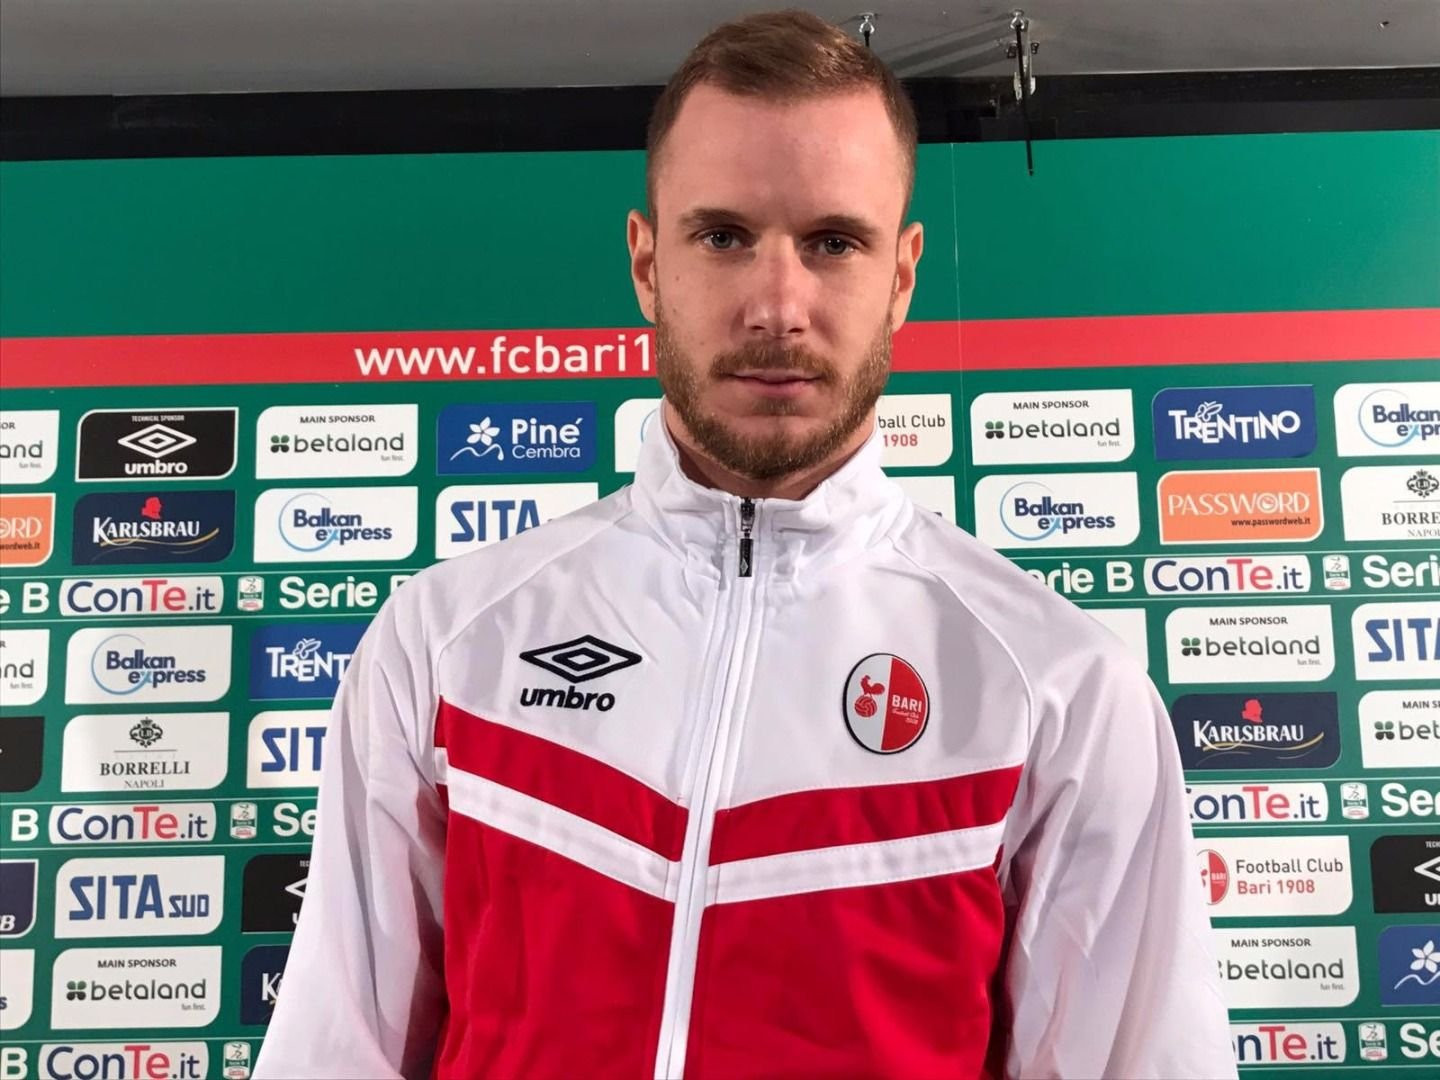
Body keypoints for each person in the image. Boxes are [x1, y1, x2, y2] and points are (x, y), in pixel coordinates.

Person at [256, 10, 1235, 1079]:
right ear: (647, 263)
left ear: (902, 277)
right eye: (723, 237)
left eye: (834, 243)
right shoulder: (446, 644)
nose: (778, 305)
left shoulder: (1059, 688)